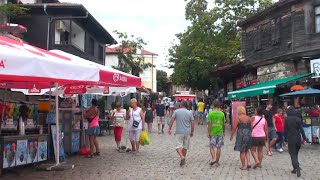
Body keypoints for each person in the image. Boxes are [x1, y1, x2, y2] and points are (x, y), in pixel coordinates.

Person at [168, 100, 194, 167]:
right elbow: (192, 123)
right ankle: (183, 158)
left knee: (178, 147)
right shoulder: (190, 113)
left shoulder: (176, 111)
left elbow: (172, 120)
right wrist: (192, 131)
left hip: (179, 131)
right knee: (185, 147)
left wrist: (169, 128)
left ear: (181, 105)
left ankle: (182, 157)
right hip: (187, 131)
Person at [284, 106, 307, 177]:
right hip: (298, 138)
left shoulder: (287, 119)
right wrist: (304, 138)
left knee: (292, 154)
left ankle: (297, 167)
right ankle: (295, 168)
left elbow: (285, 130)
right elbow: (301, 129)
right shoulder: (298, 119)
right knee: (295, 153)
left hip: (291, 138)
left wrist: (285, 139)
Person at [230, 106, 252, 170]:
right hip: (248, 134)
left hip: (241, 135)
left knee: (242, 151)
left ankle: (243, 165)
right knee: (247, 149)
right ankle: (249, 162)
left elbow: (234, 128)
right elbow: (252, 126)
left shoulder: (238, 118)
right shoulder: (248, 118)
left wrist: (231, 135)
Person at [207, 101, 225, 166]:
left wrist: (208, 132)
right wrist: (224, 131)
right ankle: (217, 162)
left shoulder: (211, 114)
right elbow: (223, 124)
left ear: (213, 106)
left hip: (213, 132)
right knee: (219, 147)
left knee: (212, 146)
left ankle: (214, 158)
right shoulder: (222, 114)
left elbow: (209, 124)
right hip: (220, 132)